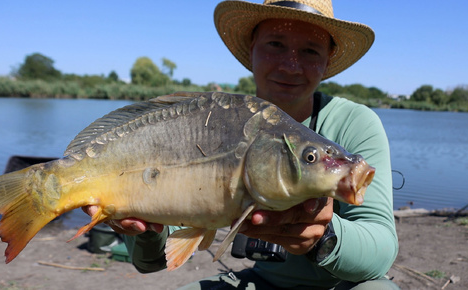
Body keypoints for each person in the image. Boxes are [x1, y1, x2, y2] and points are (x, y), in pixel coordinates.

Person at [84, 0, 399, 289]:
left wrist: (323, 235)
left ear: (328, 60)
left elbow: (380, 253)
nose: (291, 66)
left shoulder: (355, 123)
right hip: (260, 281)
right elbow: (149, 263)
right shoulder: (208, 122)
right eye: (276, 44)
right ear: (252, 48)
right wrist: (141, 229)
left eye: (310, 51)